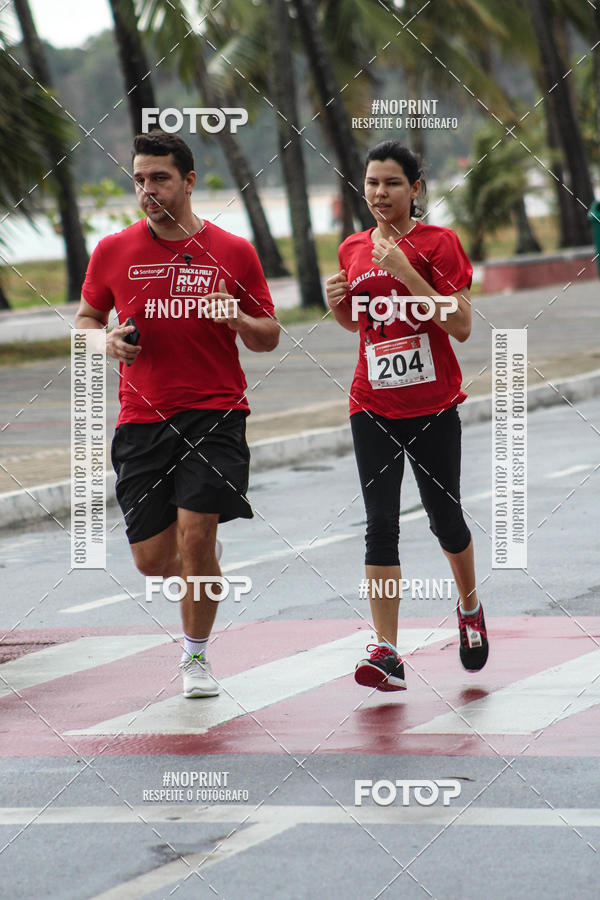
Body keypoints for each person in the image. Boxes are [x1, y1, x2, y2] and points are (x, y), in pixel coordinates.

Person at [75, 130, 280, 698]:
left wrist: (236, 318)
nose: (148, 189)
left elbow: (269, 336)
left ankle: (196, 659)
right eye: (139, 179)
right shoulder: (113, 251)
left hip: (215, 412)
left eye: (160, 178)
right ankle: (203, 558)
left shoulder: (233, 251)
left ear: (189, 181)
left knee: (195, 536)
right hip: (142, 419)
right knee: (152, 561)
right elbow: (86, 320)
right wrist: (106, 343)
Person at [325, 140, 488, 692]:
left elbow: (460, 324)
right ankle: (388, 649)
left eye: (392, 183)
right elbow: (360, 323)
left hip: (433, 405)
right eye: (371, 183)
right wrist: (339, 305)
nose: (379, 193)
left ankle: (468, 606)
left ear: (415, 189)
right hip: (370, 403)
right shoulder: (352, 247)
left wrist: (406, 272)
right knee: (380, 527)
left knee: (446, 518)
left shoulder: (439, 244)